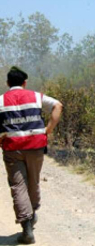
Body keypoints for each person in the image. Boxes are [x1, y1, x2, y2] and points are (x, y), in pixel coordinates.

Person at [0, 66, 63, 244]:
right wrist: (48, 130)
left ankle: (27, 227)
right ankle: (32, 213)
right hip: (36, 147)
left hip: (13, 149)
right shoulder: (36, 96)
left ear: (7, 83)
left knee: (18, 186)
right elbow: (58, 105)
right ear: (25, 82)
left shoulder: (1, 101)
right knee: (33, 181)